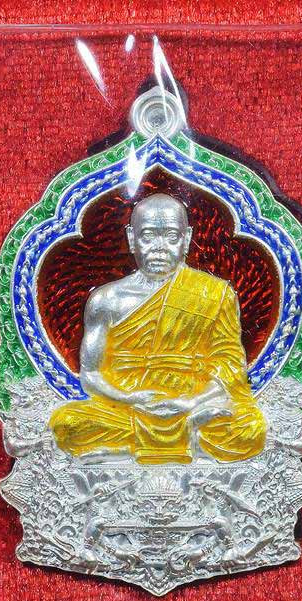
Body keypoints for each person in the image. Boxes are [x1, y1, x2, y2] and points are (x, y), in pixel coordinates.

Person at [49, 193, 266, 464]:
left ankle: (133, 446)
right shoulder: (106, 300)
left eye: (171, 236)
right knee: (67, 423)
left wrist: (190, 403)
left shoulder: (215, 294)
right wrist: (129, 398)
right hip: (128, 407)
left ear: (186, 239)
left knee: (251, 429)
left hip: (192, 404)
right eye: (148, 236)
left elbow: (230, 369)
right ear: (131, 238)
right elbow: (91, 375)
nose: (159, 248)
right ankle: (185, 439)